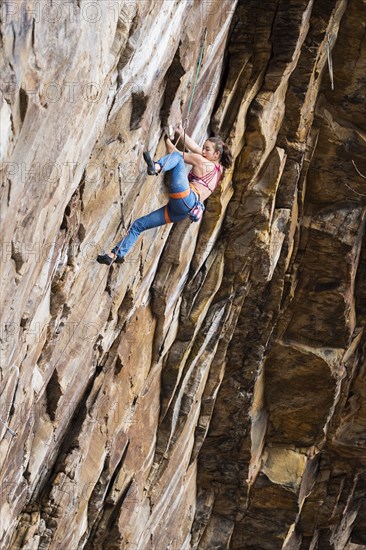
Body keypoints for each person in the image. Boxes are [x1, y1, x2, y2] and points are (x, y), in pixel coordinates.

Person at [96, 125, 233, 265]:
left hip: (186, 198)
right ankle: (114, 255)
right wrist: (180, 131)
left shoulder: (202, 160)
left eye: (207, 149)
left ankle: (156, 167)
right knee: (139, 225)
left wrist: (166, 136)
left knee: (177, 158)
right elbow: (196, 148)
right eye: (203, 147)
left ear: (216, 155)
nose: (203, 151)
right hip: (180, 212)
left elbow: (175, 153)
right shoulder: (217, 170)